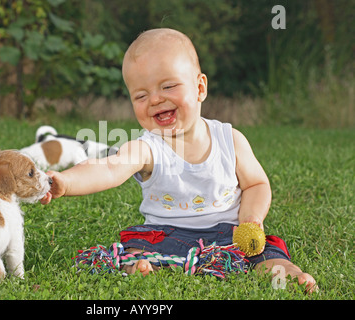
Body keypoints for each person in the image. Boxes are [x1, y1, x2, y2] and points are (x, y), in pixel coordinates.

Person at [40, 28, 317, 292]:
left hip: (229, 235)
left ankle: (283, 271)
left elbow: (256, 184)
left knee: (265, 251)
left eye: (168, 86)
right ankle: (145, 265)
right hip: (167, 235)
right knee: (142, 249)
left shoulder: (229, 140)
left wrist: (251, 219)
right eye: (141, 95)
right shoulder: (148, 147)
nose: (155, 99)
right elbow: (109, 168)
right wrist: (67, 181)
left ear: (200, 88)